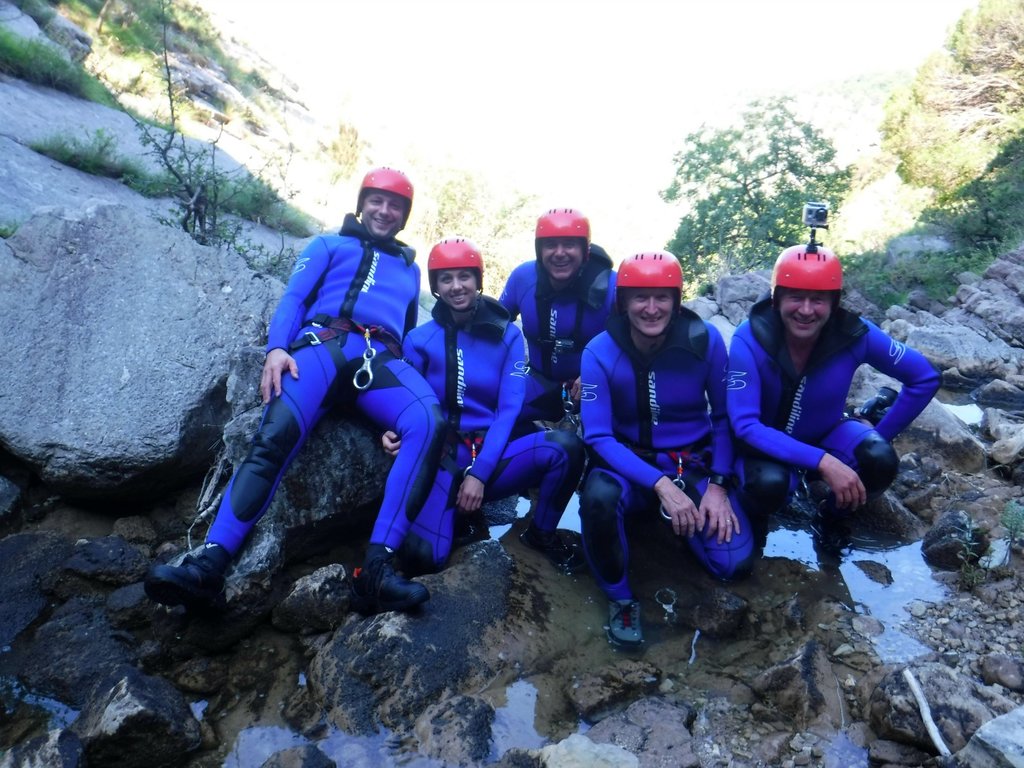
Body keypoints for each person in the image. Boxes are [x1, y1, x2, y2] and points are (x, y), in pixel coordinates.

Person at [145, 167, 446, 615]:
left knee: (427, 419)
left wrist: (391, 420)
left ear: (405, 215)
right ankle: (209, 563)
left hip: (376, 359)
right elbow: (294, 298)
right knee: (274, 437)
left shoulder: (409, 270)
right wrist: (276, 349)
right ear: (362, 204)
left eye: (396, 205)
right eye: (377, 201)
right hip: (319, 348)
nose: (385, 210)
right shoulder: (327, 244)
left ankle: (376, 572)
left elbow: (405, 338)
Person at [578, 252, 754, 650]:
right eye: (640, 298)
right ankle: (621, 597)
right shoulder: (598, 352)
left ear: (677, 301)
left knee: (733, 566)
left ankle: (678, 527)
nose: (651, 308)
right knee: (600, 497)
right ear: (623, 303)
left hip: (691, 462)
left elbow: (725, 418)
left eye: (662, 297)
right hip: (626, 464)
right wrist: (661, 486)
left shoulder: (704, 340)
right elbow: (599, 437)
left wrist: (718, 487)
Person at [383, 238, 586, 575]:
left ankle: (541, 534)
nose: (456, 286)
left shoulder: (508, 336)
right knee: (422, 559)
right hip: (441, 456)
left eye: (465, 276)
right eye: (445, 279)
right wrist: (390, 429)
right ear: (434, 286)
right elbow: (406, 402)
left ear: (479, 281)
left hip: (488, 457)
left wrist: (479, 475)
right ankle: (458, 513)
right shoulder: (419, 340)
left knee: (567, 447)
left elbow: (509, 410)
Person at [726, 237, 940, 549]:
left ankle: (831, 516)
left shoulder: (855, 334)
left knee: (879, 459)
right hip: (766, 447)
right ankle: (757, 516)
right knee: (767, 487)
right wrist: (824, 462)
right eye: (795, 298)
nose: (807, 310)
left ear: (834, 302)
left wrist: (881, 435)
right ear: (776, 299)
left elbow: (924, 377)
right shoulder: (750, 338)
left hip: (826, 431)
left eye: (819, 300)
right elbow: (745, 425)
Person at [499, 208, 616, 426]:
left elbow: (633, 345)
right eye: (551, 244)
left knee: (603, 443)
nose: (560, 252)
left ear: (584, 251)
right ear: (539, 250)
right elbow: (493, 328)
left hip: (596, 386)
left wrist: (596, 373)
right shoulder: (523, 278)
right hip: (539, 380)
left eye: (569, 244)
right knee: (496, 415)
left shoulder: (612, 287)